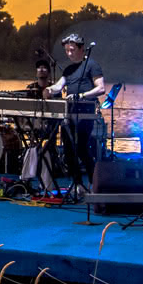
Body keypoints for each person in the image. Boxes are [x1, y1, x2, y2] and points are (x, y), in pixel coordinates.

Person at [44, 34, 108, 193]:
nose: (69, 53)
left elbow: (101, 88)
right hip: (70, 112)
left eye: (72, 50)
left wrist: (82, 95)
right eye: (66, 51)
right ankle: (78, 184)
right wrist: (49, 90)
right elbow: (59, 86)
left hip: (85, 111)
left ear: (81, 48)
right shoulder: (68, 69)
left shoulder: (92, 65)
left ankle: (95, 184)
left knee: (81, 148)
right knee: (67, 149)